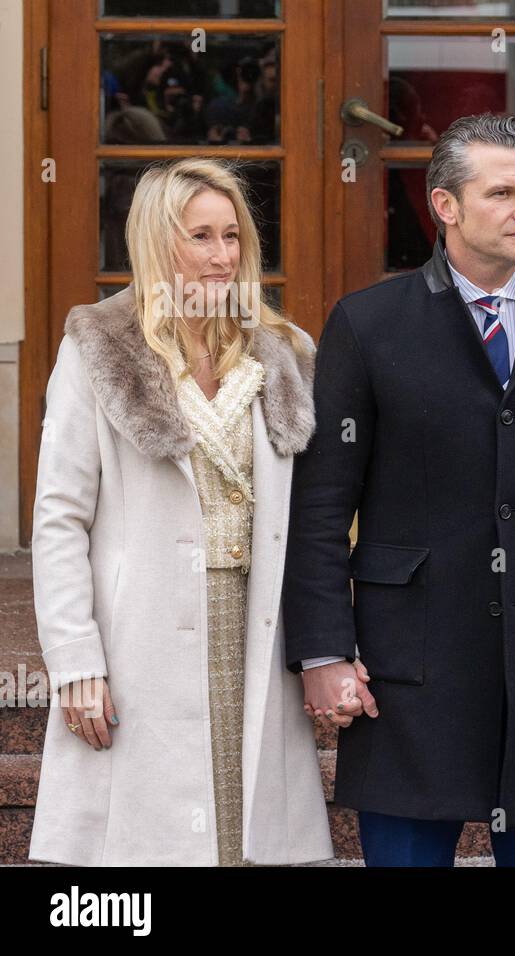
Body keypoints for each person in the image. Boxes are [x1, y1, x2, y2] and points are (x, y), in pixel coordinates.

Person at [283, 113, 515, 868]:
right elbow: (323, 506)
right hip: (412, 667)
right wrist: (324, 648)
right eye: (503, 194)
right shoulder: (367, 324)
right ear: (445, 207)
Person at [28, 157, 333, 866]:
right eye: (201, 236)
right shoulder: (98, 349)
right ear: (157, 244)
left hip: (255, 627)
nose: (223, 255)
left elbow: (315, 518)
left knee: (245, 836)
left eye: (233, 236)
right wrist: (75, 662)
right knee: (148, 851)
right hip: (137, 638)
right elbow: (59, 518)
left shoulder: (283, 352)